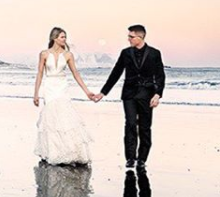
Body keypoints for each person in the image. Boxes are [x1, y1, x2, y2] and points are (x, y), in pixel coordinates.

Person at [93, 25, 165, 169]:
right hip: (129, 94)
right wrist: (103, 92)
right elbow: (116, 73)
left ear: (140, 37)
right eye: (128, 36)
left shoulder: (154, 53)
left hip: (147, 95)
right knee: (130, 124)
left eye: (131, 37)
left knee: (145, 127)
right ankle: (130, 158)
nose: (128, 39)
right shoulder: (125, 53)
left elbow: (160, 75)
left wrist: (157, 94)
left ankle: (142, 159)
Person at [33, 27, 94, 165]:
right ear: (54, 38)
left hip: (62, 86)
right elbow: (40, 74)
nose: (64, 39)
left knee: (65, 116)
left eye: (65, 37)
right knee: (51, 118)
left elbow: (76, 74)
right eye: (62, 37)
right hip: (49, 87)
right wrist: (36, 93)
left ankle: (69, 151)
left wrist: (87, 91)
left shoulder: (68, 55)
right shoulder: (43, 54)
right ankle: (53, 152)